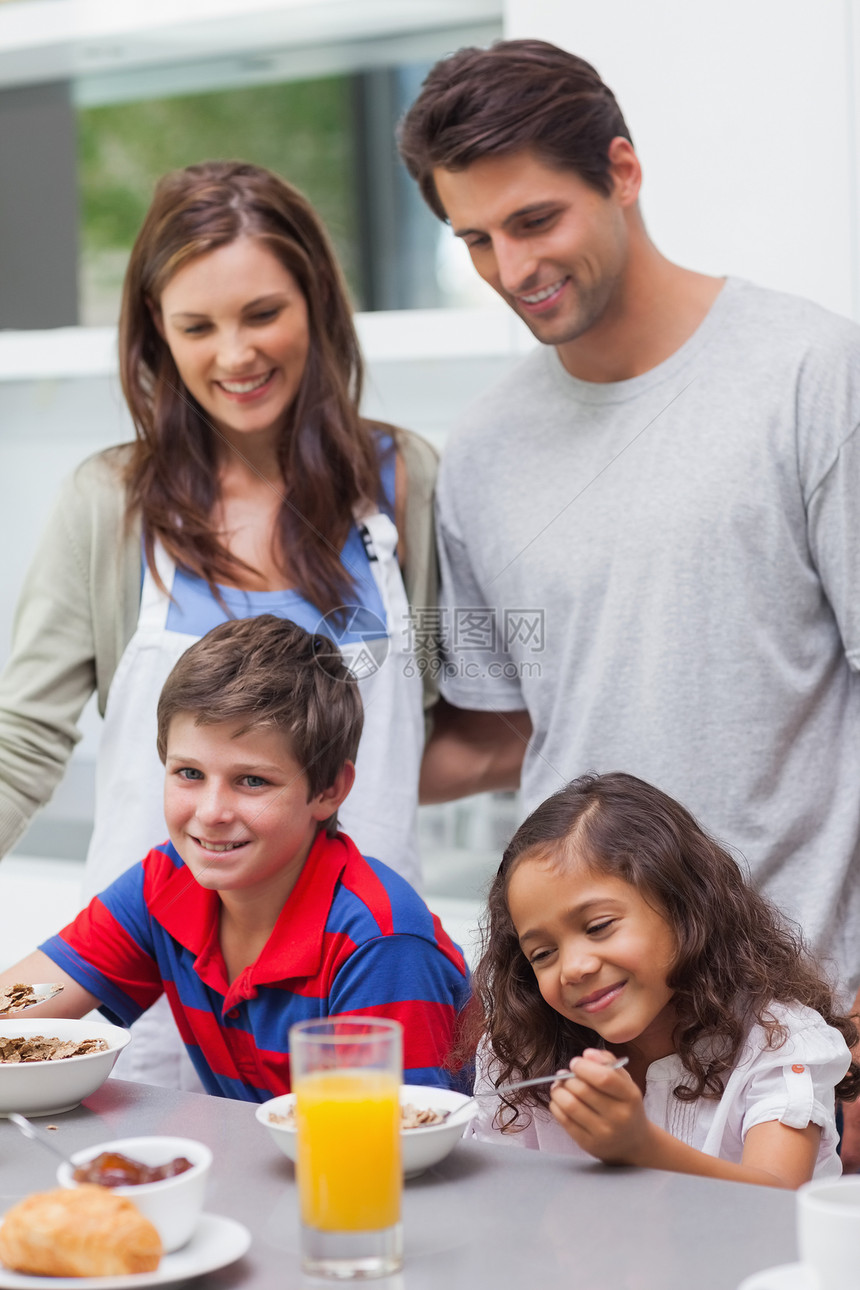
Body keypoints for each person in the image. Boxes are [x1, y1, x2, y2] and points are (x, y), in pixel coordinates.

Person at [398, 43, 860, 1012]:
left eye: (533, 221)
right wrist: (277, 762)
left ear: (620, 171)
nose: (511, 269)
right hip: (581, 1021)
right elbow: (491, 724)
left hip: (801, 1012)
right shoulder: (477, 448)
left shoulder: (812, 371)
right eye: (475, 239)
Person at [0, 161, 437, 1085]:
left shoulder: (408, 485)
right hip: (156, 1001)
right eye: (197, 325)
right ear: (156, 334)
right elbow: (20, 740)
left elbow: (452, 718)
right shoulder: (110, 503)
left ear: (317, 302)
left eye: (262, 313)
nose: (234, 354)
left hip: (358, 983)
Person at [0, 616, 470, 1100]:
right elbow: (13, 1010)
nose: (211, 813)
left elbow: (390, 1150)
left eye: (252, 781)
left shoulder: (381, 945)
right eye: (188, 772)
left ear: (329, 790)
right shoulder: (166, 883)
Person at [465, 772, 858, 1187]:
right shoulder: (523, 1051)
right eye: (543, 954)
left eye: (598, 926)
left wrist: (640, 1147)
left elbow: (776, 1195)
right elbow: (498, 1197)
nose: (574, 967)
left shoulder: (779, 1041)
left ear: (683, 906)